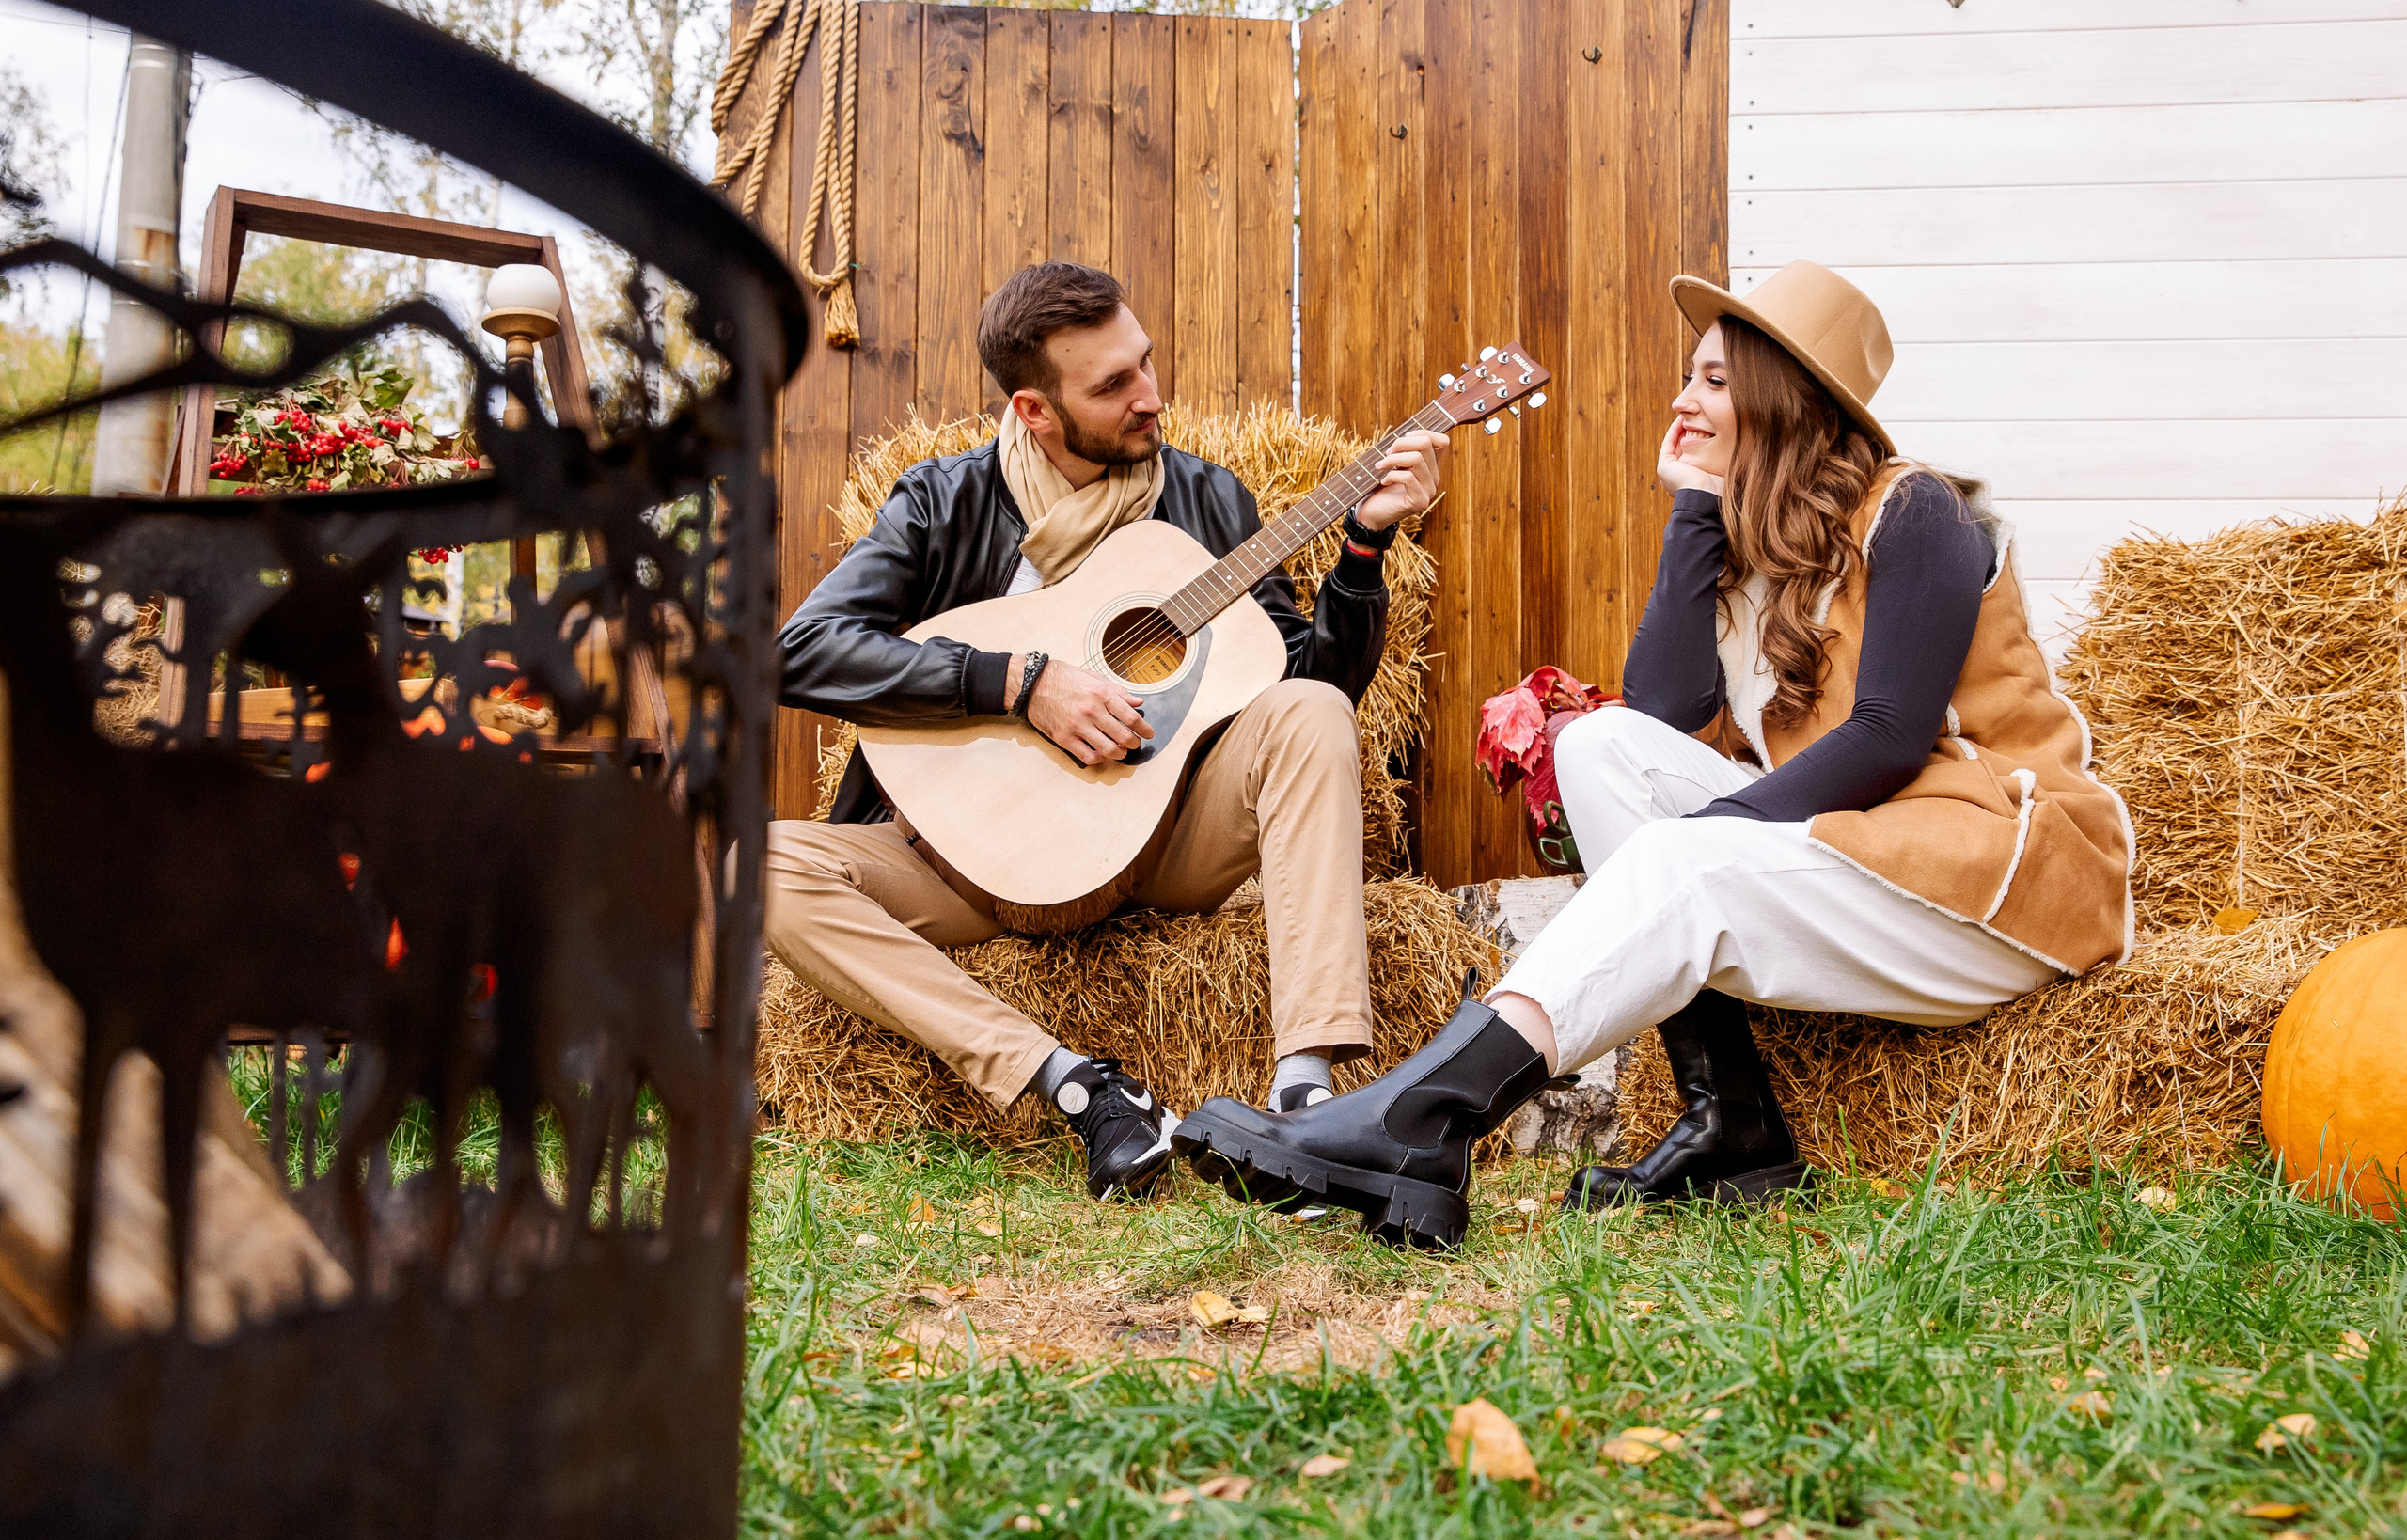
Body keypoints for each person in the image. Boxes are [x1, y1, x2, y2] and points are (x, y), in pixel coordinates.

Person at [1172, 259, 2133, 1249]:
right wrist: (1691, 510)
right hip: (1877, 857)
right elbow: (1667, 711)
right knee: (1597, 747)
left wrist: (1700, 841)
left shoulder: (1913, 508)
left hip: (1998, 874)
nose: (1682, 398)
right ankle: (1733, 1124)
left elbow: (1887, 737)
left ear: (1783, 394)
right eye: (1689, 376)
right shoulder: (1749, 542)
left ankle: (1424, 1122)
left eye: (1714, 380)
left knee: (1681, 852)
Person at [767, 260, 1446, 1200]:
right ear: (1035, 410)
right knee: (755, 867)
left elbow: (1312, 687)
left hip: (1161, 838)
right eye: (1113, 384)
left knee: (1310, 711)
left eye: (1146, 364)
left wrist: (1364, 548)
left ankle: (1307, 1106)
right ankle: (1076, 1087)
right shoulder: (939, 502)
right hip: (966, 861)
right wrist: (1018, 682)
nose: (1151, 398)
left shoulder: (1209, 502)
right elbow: (801, 653)